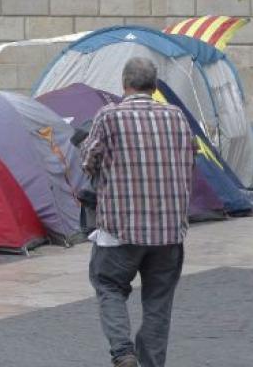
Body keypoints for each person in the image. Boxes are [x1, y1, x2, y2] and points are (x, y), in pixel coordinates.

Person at [81, 57, 195, 367]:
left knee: (108, 284)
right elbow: (190, 162)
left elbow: (88, 162)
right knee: (159, 302)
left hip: (121, 229)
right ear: (155, 86)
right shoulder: (177, 116)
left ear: (124, 84)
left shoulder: (109, 116)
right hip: (169, 231)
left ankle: (123, 352)